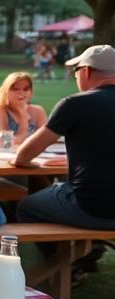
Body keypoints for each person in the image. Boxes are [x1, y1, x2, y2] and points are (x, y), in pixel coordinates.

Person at [14, 45, 115, 230]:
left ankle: (60, 258)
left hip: (91, 208)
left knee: (26, 206)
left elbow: (24, 156)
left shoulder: (75, 104)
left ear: (86, 71)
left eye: (75, 71)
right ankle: (87, 251)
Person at [0, 72, 47, 149]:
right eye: (15, 89)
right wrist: (23, 123)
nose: (21, 93)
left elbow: (46, 140)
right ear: (6, 91)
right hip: (5, 158)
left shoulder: (38, 111)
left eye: (26, 89)